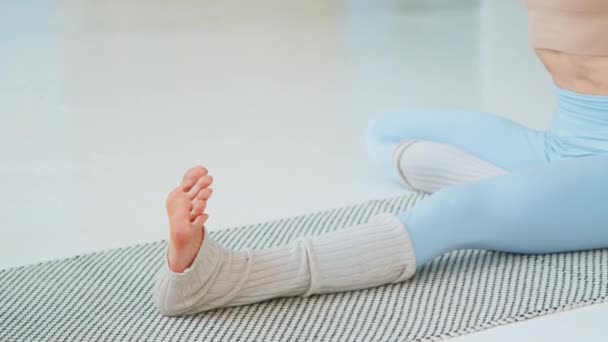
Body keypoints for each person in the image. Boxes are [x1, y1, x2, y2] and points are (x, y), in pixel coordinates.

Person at [153, 0, 608, 316]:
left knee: (455, 212)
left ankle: (222, 278)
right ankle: (537, 192)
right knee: (387, 131)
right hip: (567, 138)